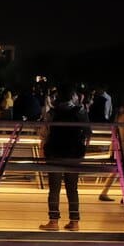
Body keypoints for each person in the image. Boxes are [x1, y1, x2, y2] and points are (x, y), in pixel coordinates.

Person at [39, 87, 90, 231]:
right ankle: (74, 222)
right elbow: (88, 133)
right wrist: (81, 152)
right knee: (72, 188)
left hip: (55, 154)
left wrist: (43, 151)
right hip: (74, 155)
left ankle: (53, 222)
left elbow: (44, 134)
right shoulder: (80, 112)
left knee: (54, 189)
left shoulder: (52, 113)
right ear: (73, 97)